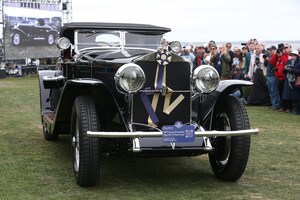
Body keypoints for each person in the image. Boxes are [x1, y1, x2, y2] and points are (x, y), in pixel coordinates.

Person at [269, 43, 289, 112]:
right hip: (279, 77)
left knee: (285, 93)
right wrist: (276, 55)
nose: (281, 51)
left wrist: (281, 56)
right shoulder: (278, 57)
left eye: (282, 49)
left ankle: (288, 107)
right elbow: (271, 62)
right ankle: (283, 107)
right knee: (280, 92)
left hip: (284, 77)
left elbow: (286, 62)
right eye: (280, 49)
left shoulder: (286, 56)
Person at [266, 45, 280, 110]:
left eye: (271, 50)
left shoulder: (276, 56)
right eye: (269, 50)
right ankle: (273, 104)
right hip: (269, 75)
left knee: (274, 91)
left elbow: (274, 63)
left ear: (275, 50)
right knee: (271, 91)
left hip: (273, 75)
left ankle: (276, 105)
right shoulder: (271, 56)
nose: (270, 51)